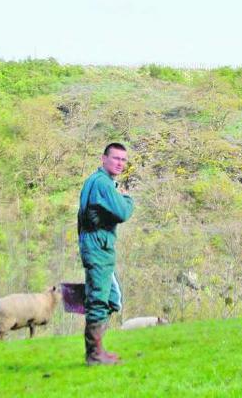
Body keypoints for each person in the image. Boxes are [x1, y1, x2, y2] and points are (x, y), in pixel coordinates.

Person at [78, 142, 134, 365]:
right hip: (98, 247)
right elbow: (122, 211)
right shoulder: (102, 184)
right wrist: (127, 199)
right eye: (115, 158)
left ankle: (98, 348)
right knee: (99, 299)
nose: (120, 163)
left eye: (123, 160)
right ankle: (94, 354)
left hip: (96, 245)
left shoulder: (96, 181)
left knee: (110, 297)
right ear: (104, 158)